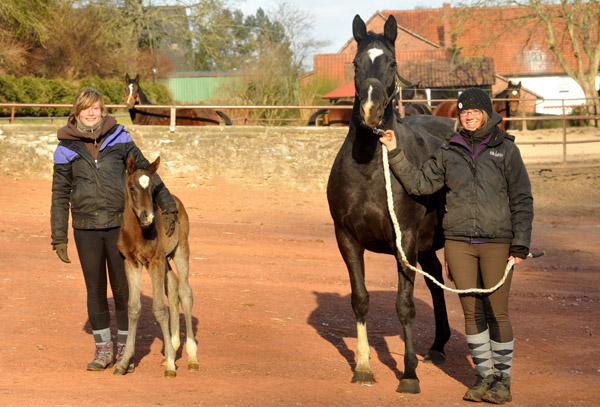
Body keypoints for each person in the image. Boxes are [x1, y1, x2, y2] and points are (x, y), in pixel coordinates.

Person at [379, 87, 533, 404]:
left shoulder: (506, 150)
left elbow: (522, 199)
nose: (470, 116)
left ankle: (503, 380)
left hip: (497, 242)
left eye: (475, 111)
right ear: (459, 117)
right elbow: (420, 183)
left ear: (487, 113)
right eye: (464, 113)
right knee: (472, 314)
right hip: (459, 244)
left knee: (497, 313)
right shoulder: (449, 150)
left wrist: (520, 244)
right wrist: (395, 151)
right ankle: (484, 377)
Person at [50, 88, 179, 371]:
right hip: (84, 226)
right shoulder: (65, 147)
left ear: (102, 109)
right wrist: (58, 235)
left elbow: (146, 173)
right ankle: (103, 349)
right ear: (77, 111)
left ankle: (125, 348)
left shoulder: (120, 138)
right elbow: (59, 193)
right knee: (95, 289)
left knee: (122, 289)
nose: (91, 113)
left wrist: (168, 205)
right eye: (86, 108)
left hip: (119, 226)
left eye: (95, 107)